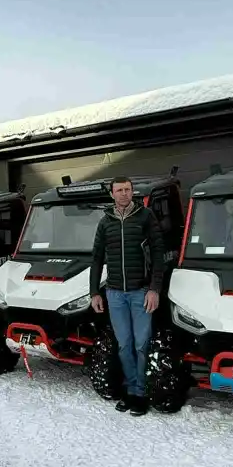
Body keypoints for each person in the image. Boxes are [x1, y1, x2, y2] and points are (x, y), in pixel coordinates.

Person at [90, 176, 167, 416]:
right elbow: (96, 259)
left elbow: (158, 254)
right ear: (112, 194)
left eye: (127, 189)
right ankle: (130, 389)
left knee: (141, 344)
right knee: (124, 345)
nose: (124, 193)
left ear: (133, 192)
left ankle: (140, 393)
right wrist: (94, 292)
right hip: (115, 294)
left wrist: (154, 289)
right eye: (119, 190)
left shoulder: (145, 217)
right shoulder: (105, 222)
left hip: (140, 292)